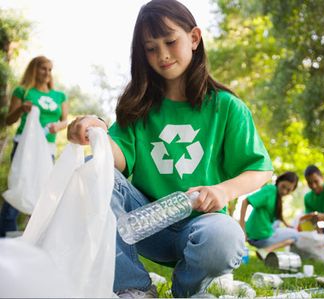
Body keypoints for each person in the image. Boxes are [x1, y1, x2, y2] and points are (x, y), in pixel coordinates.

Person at [66, 0, 273, 297]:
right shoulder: (139, 107)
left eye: (170, 41)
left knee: (226, 237)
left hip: (201, 225)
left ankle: (188, 289)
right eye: (150, 48)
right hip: (144, 222)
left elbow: (260, 169)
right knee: (94, 173)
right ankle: (134, 287)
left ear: (194, 37)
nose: (162, 55)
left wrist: (223, 191)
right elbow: (115, 162)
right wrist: (94, 130)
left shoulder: (227, 107)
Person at [0, 55, 68, 238]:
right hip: (25, 144)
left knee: (43, 188)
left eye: (50, 69)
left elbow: (65, 121)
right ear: (34, 69)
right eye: (43, 68)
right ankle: (5, 234)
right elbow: (8, 120)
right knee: (20, 184)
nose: (47, 73)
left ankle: (34, 236)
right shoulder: (22, 91)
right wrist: (21, 109)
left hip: (47, 147)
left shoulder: (59, 95)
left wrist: (58, 127)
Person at [240, 171, 300, 260]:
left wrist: (287, 225)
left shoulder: (277, 197)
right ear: (279, 181)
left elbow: (279, 217)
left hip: (254, 235)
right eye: (283, 186)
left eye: (288, 190)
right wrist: (242, 227)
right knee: (296, 235)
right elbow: (246, 201)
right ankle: (266, 251)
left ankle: (265, 250)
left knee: (277, 222)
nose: (284, 191)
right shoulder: (271, 190)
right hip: (259, 237)